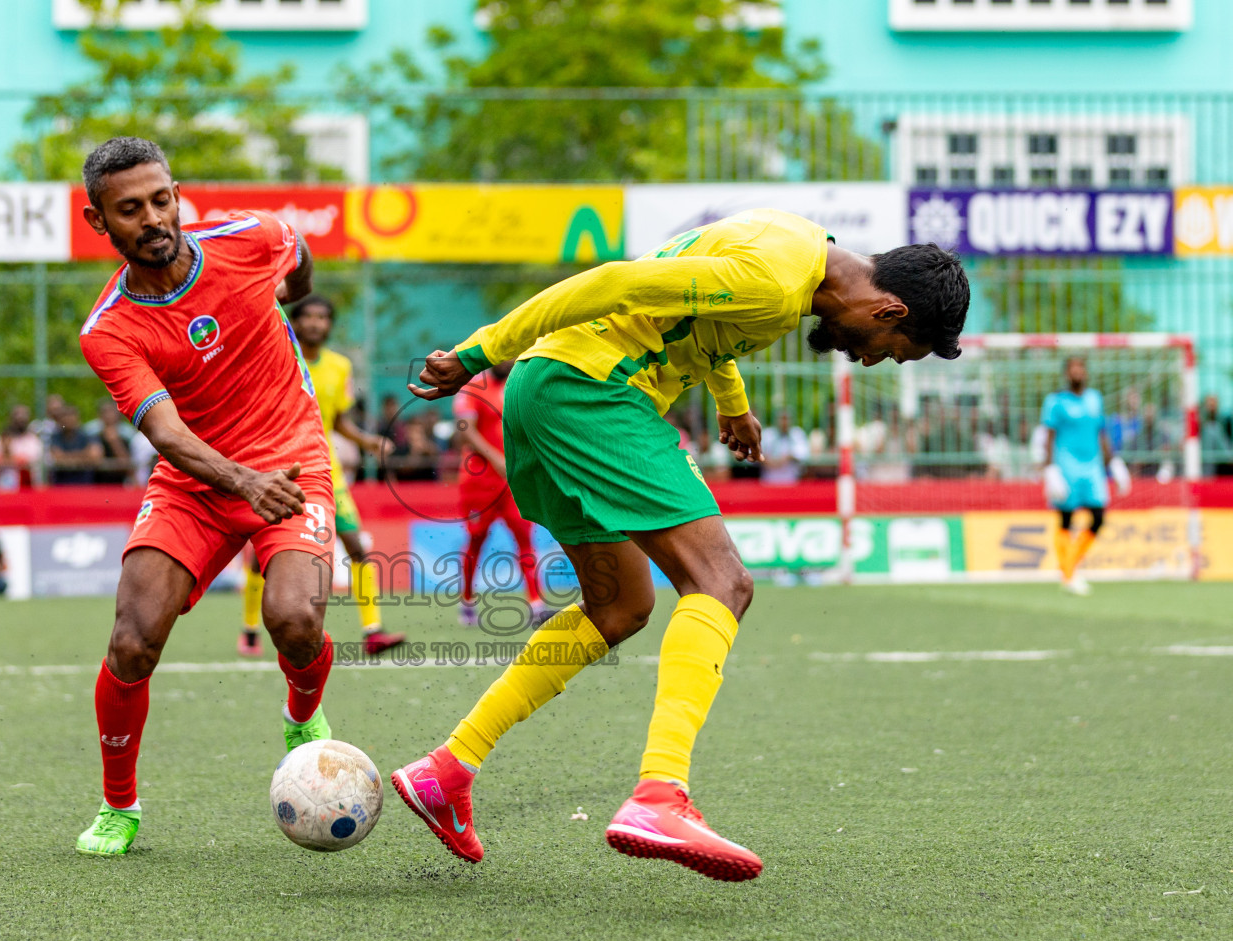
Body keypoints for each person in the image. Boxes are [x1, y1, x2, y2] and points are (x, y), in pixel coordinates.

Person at [393, 210, 969, 882]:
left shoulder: (798, 249)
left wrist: (731, 403)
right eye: (891, 347)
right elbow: (615, 283)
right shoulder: (777, 282)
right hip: (594, 394)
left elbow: (705, 321)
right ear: (889, 308)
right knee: (723, 583)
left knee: (619, 607)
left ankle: (447, 770)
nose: (870, 358)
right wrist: (477, 352)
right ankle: (659, 795)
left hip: (544, 389)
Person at [72, 136, 331, 857]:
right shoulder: (109, 330)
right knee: (131, 640)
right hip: (197, 480)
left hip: (293, 458)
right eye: (130, 210)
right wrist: (243, 482)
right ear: (101, 223)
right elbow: (168, 434)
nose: (153, 219)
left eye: (162, 200)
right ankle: (118, 805)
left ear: (178, 194)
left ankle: (302, 716)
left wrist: (291, 294)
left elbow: (297, 251)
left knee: (294, 620)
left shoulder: (250, 238)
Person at [239, 294, 405, 658]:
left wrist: (368, 440)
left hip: (326, 471)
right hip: (279, 468)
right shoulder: (278, 358)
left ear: (329, 325)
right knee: (259, 556)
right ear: (295, 322)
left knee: (357, 547)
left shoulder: (340, 366)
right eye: (308, 317)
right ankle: (250, 628)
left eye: (322, 317)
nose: (315, 323)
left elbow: (339, 422)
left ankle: (373, 631)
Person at [454, 360, 551, 628]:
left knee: (525, 538)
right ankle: (467, 600)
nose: (506, 359)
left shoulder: (519, 386)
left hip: (513, 481)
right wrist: (496, 459)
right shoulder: (474, 388)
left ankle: (536, 604)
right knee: (476, 541)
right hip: (479, 482)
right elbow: (465, 431)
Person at [1041, 357, 1128, 597]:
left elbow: (1102, 433)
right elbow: (1048, 436)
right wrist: (1049, 469)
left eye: (1081, 367)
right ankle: (1068, 575)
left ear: (1086, 372)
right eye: (1073, 368)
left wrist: (1115, 463)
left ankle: (1070, 566)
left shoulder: (1095, 398)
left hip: (1093, 469)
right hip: (1066, 467)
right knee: (1066, 519)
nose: (1078, 371)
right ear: (1066, 373)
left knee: (1098, 517)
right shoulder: (1055, 401)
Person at [0, 405, 43, 491]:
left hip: (26, 489)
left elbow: (32, 464)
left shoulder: (33, 441)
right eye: (17, 415)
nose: (20, 418)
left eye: (24, 416)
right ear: (10, 418)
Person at [47, 404, 103, 485]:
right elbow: (57, 458)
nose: (69, 420)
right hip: (61, 483)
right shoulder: (55, 436)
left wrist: (66, 457)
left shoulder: (87, 435)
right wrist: (84, 455)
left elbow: (95, 457)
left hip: (85, 482)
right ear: (60, 421)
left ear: (78, 418)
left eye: (71, 417)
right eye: (65, 417)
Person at [86, 399, 136, 485]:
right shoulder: (90, 432)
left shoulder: (128, 433)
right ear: (99, 415)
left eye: (111, 412)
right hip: (95, 482)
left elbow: (128, 464)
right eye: (105, 412)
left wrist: (115, 442)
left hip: (121, 482)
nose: (108, 416)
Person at [759, 409, 810, 484]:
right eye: (782, 419)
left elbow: (804, 455)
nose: (784, 422)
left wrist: (788, 457)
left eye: (786, 419)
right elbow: (755, 454)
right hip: (768, 481)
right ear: (776, 420)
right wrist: (765, 460)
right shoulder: (767, 434)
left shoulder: (797, 434)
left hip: (791, 481)